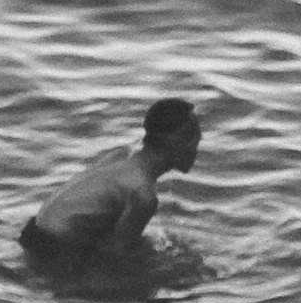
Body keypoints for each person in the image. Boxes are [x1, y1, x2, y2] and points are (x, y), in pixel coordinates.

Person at [21, 97, 204, 266]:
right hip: (54, 249)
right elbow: (118, 254)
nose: (196, 148)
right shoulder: (143, 195)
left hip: (33, 231)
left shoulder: (121, 154)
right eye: (195, 139)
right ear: (176, 142)